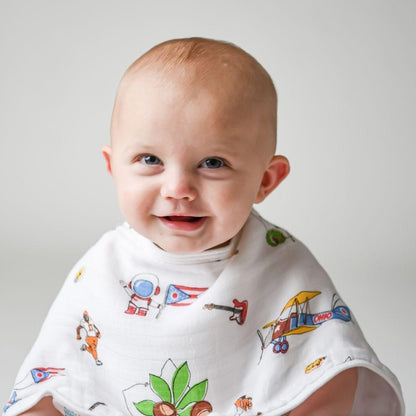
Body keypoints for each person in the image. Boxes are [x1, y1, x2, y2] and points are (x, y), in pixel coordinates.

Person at [4, 37, 404, 416]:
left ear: (266, 180)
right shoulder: (102, 266)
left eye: (213, 163)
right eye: (149, 159)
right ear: (113, 168)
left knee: (333, 377)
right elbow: (53, 373)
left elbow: (330, 358)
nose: (178, 188)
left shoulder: (281, 263)